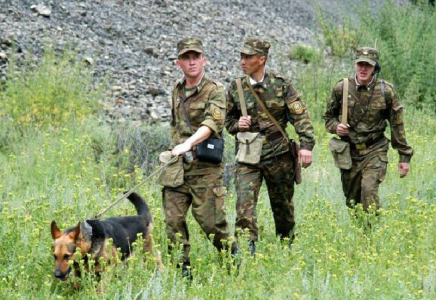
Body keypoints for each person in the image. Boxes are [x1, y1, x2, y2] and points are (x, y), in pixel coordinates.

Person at [225, 38, 316, 255]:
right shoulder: (235, 87)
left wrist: (306, 145)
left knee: (283, 208)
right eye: (241, 56)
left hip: (279, 156)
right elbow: (226, 122)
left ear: (261, 59)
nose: (243, 61)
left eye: (248, 57)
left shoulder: (281, 84)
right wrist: (237, 124)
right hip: (248, 157)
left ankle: (287, 248)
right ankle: (247, 254)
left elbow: (300, 116)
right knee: (244, 207)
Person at [163, 37, 237, 278]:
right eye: (186, 58)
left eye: (196, 57)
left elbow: (212, 123)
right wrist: (175, 150)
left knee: (212, 224)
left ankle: (232, 261)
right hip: (177, 167)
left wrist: (188, 144)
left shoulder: (214, 90)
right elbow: (175, 127)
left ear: (203, 60)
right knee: (173, 221)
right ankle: (183, 274)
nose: (192, 62)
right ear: (178, 63)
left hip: (205, 168)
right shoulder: (176, 89)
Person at [324, 47, 413, 213]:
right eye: (360, 64)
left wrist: (404, 156)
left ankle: (371, 232)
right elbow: (328, 118)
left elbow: (397, 125)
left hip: (375, 150)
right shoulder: (341, 88)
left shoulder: (385, 91)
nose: (363, 69)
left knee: (368, 191)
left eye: (368, 65)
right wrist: (337, 127)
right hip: (349, 152)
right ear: (355, 65)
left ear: (375, 68)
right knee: (352, 202)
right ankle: (361, 235)